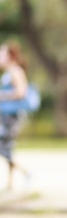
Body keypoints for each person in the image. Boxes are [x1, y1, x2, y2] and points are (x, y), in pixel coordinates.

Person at [0, 41, 29, 189]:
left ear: (10, 56)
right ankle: (10, 182)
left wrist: (2, 95)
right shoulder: (9, 72)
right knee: (7, 147)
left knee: (3, 146)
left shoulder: (15, 71)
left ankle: (25, 172)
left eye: (2, 53)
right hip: (6, 115)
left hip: (12, 116)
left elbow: (20, 92)